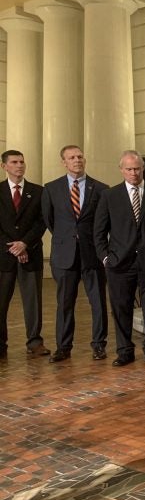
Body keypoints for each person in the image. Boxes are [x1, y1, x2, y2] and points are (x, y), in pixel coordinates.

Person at [93, 151, 145, 366]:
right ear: (121, 170)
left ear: (143, 169)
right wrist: (105, 257)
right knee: (121, 307)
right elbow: (98, 231)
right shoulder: (109, 195)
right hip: (119, 263)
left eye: (137, 169)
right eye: (129, 169)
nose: (133, 173)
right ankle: (125, 350)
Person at [42, 145, 109, 363]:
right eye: (71, 157)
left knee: (98, 302)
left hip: (92, 254)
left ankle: (99, 345)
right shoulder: (51, 188)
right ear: (64, 162)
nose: (77, 160)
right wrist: (68, 238)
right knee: (64, 303)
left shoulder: (101, 189)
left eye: (80, 156)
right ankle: (63, 347)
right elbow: (49, 220)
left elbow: (103, 223)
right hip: (64, 255)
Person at [0, 150, 48, 360]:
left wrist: (25, 244)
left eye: (22, 161)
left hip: (31, 253)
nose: (19, 165)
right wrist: (13, 247)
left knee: (33, 301)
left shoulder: (38, 192)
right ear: (4, 166)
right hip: (4, 257)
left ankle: (35, 342)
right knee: (1, 302)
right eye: (14, 162)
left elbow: (42, 222)